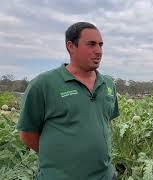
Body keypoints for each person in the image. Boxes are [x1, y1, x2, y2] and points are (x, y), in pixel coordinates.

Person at [17, 22, 119, 180]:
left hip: (105, 176)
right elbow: (27, 134)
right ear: (71, 46)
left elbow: (104, 123)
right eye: (91, 44)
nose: (98, 51)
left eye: (100, 45)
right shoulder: (43, 84)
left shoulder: (108, 84)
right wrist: (60, 159)